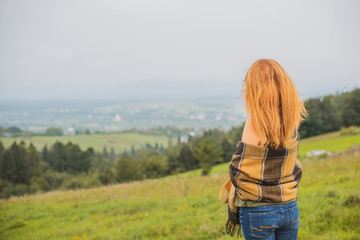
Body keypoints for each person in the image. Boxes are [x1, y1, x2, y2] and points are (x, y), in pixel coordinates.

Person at [219, 59, 308, 240]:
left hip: (258, 210)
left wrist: (233, 203)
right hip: (290, 206)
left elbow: (240, 169)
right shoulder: (291, 120)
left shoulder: (254, 122)